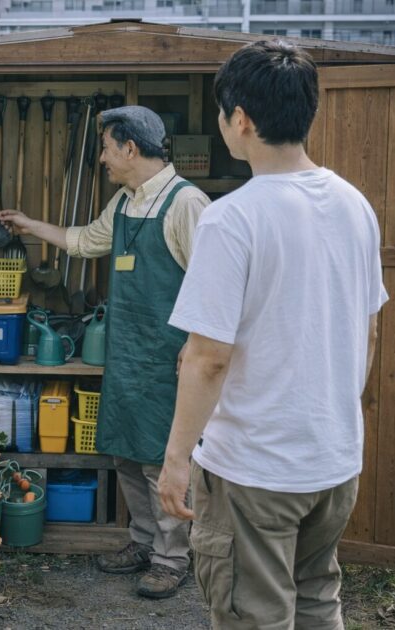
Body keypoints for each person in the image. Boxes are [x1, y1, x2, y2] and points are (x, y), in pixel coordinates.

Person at [158, 40, 388, 629]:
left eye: (221, 114)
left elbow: (207, 357)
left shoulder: (232, 218)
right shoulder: (354, 204)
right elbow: (367, 332)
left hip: (254, 470)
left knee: (253, 616)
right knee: (316, 602)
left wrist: (177, 457)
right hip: (334, 461)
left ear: (241, 120)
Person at [0, 105, 210, 598]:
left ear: (131, 149)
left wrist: (197, 346)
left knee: (162, 458)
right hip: (128, 352)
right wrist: (32, 226)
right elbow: (86, 241)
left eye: (108, 149)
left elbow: (212, 285)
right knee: (126, 456)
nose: (102, 159)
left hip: (170, 357)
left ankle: (172, 557)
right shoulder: (126, 202)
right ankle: (142, 541)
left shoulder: (186, 203)